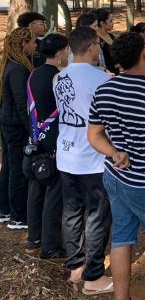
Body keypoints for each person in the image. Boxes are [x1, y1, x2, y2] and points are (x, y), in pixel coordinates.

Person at [87, 32, 145, 300]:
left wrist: (115, 152)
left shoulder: (104, 89)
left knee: (122, 237)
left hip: (114, 175)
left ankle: (121, 296)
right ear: (142, 55)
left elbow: (94, 135)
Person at [53, 27, 113, 294]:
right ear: (91, 46)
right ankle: (93, 276)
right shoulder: (101, 79)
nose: (99, 48)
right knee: (97, 216)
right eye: (98, 44)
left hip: (66, 154)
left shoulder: (59, 77)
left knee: (72, 212)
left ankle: (76, 266)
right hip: (92, 157)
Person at [25, 34, 70, 258]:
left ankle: (34, 236)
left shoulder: (34, 74)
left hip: (35, 137)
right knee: (54, 195)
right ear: (61, 52)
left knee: (36, 189)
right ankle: (51, 245)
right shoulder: (58, 78)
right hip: (53, 141)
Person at [0, 28, 37, 229]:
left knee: (9, 165)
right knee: (17, 169)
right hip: (14, 125)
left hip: (8, 122)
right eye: (32, 42)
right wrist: (31, 130)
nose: (35, 45)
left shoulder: (13, 65)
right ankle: (18, 215)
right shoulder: (18, 69)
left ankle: (5, 209)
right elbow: (22, 104)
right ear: (23, 45)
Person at [92, 8, 119, 75]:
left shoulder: (111, 36)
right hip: (105, 74)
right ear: (102, 23)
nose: (113, 23)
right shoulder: (96, 40)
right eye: (110, 21)